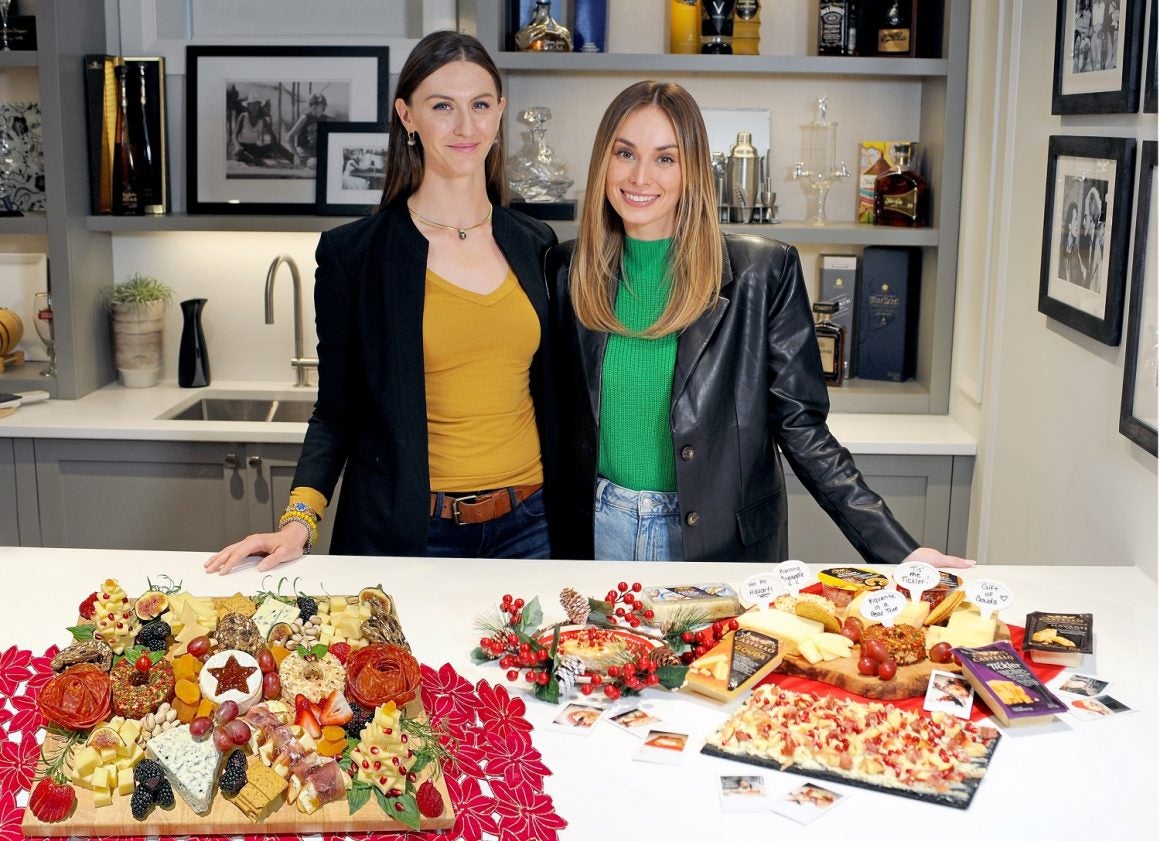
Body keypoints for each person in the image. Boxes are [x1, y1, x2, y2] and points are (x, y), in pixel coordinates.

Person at [547, 80, 973, 569]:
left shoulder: (762, 272)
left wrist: (899, 549)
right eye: (625, 153)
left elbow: (802, 427)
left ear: (693, 170)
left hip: (715, 543)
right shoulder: (565, 269)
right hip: (595, 533)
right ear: (603, 160)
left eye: (665, 158)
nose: (640, 176)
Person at [206, 31, 558, 574]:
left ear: (499, 112)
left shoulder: (537, 243)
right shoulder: (355, 254)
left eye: (480, 105)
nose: (466, 126)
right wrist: (298, 522)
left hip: (531, 527)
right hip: (411, 532)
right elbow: (335, 411)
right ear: (407, 116)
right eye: (443, 106)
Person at [231, 99, 295, 168]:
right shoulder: (243, 117)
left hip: (255, 148)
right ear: (248, 106)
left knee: (276, 146)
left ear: (259, 106)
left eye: (256, 105)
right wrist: (237, 146)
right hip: (242, 148)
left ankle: (295, 161)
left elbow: (273, 136)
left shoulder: (262, 120)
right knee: (244, 156)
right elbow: (234, 135)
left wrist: (273, 150)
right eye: (251, 105)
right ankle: (254, 160)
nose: (254, 107)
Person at [286, 92, 332, 169]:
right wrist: (296, 155)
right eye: (314, 106)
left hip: (317, 152)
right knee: (315, 164)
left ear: (324, 106)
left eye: (320, 105)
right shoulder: (305, 118)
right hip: (304, 152)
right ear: (311, 106)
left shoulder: (326, 119)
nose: (316, 108)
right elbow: (290, 137)